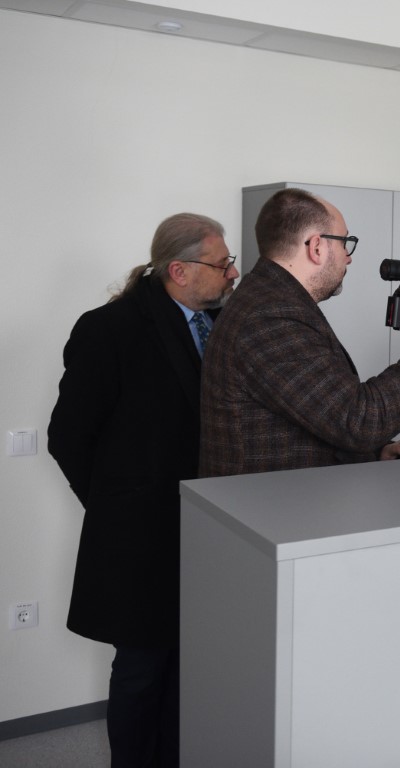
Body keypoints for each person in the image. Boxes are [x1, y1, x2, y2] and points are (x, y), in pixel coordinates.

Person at [48, 213, 238, 767]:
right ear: (179, 270)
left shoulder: (221, 324)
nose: (231, 273)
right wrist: (117, 507)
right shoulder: (109, 329)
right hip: (140, 537)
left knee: (188, 665)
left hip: (206, 529)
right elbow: (68, 436)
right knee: (141, 667)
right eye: (221, 264)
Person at [199, 187, 400, 477]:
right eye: (345, 243)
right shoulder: (270, 317)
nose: (348, 257)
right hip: (273, 504)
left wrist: (373, 453)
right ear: (316, 247)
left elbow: (319, 411)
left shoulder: (269, 300)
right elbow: (358, 422)